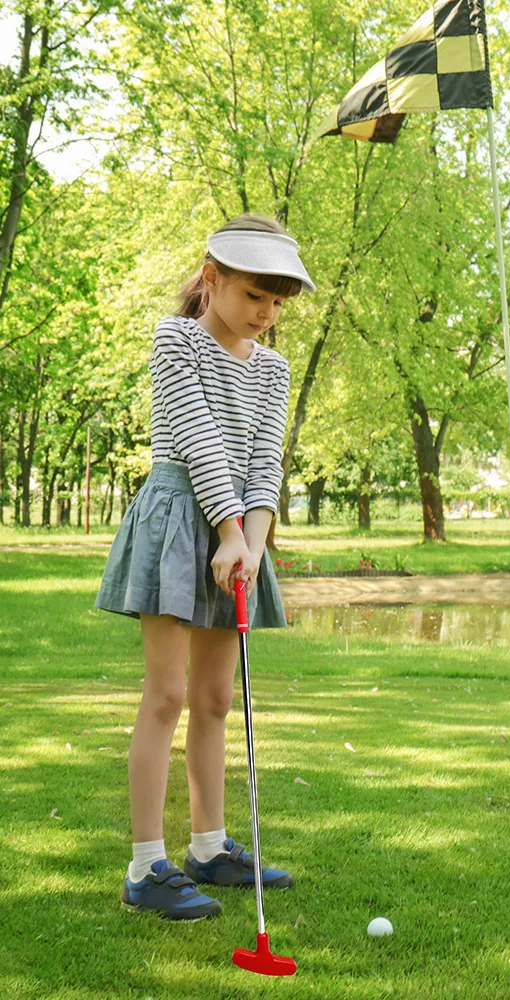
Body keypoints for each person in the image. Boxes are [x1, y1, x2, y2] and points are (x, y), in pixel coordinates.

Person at [95, 215, 315, 919]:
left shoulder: (273, 367)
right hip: (178, 519)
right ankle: (144, 867)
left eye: (278, 304)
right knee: (166, 696)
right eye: (256, 296)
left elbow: (262, 462)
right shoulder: (177, 339)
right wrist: (225, 530)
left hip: (236, 536)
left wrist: (251, 540)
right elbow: (195, 437)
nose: (267, 315)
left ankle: (211, 848)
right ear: (213, 278)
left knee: (217, 700)